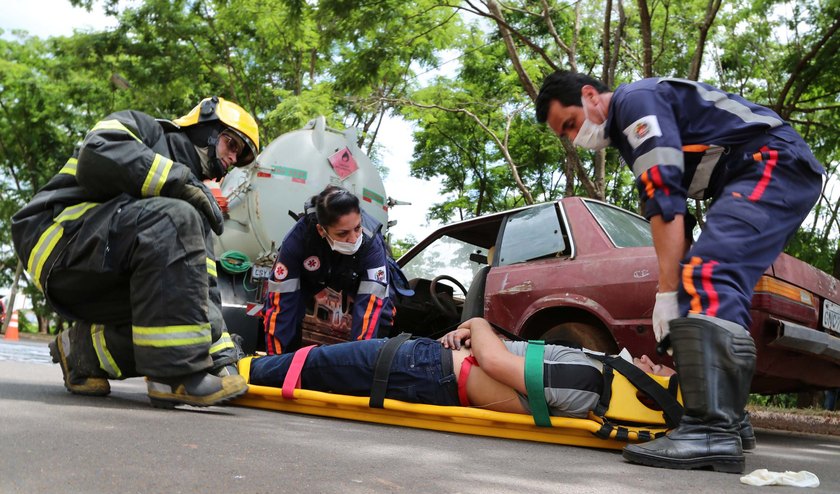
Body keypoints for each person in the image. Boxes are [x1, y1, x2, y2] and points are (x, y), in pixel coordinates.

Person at [535, 71, 824, 473]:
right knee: (709, 282)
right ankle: (728, 418)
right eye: (565, 134)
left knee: (708, 275)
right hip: (762, 170)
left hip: (771, 162)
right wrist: (674, 293)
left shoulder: (635, 103)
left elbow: (664, 196)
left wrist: (668, 294)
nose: (573, 137)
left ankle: (710, 430)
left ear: (589, 95)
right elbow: (675, 222)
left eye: (570, 123)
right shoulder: (630, 131)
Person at [12, 96, 260, 408]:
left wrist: (222, 357)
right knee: (175, 216)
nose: (231, 159)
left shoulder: (192, 202)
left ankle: (81, 352)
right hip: (58, 240)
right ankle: (175, 378)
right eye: (231, 144)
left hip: (103, 268)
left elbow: (200, 290)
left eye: (239, 157)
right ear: (206, 126)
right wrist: (177, 181)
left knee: (175, 320)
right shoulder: (147, 130)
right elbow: (97, 153)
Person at [250, 317, 676, 418]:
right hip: (429, 366)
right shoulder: (597, 375)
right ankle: (241, 365)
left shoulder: (590, 381)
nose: (655, 361)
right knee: (312, 365)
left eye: (664, 371)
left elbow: (496, 363)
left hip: (422, 370)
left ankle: (233, 371)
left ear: (654, 391)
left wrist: (477, 324)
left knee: (311, 364)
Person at [263, 185, 398, 354]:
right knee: (289, 314)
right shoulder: (298, 240)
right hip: (312, 276)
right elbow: (280, 306)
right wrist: (274, 360)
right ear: (321, 230)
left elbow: (370, 312)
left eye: (357, 228)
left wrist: (359, 360)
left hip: (356, 278)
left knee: (382, 317)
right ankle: (286, 362)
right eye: (343, 234)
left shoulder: (371, 244)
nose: (353, 239)